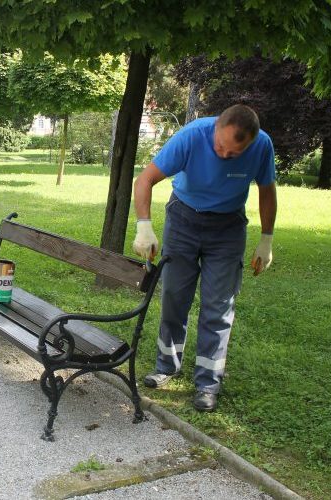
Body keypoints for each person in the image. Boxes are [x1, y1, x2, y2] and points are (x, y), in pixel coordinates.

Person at [132, 104, 277, 412]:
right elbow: (145, 180)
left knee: (218, 306)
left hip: (227, 228)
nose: (224, 156)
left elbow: (267, 190)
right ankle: (166, 366)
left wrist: (267, 239)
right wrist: (144, 226)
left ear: (250, 144)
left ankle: (208, 383)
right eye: (220, 147)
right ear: (215, 130)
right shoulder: (192, 136)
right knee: (174, 296)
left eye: (233, 154)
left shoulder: (262, 145)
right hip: (183, 219)